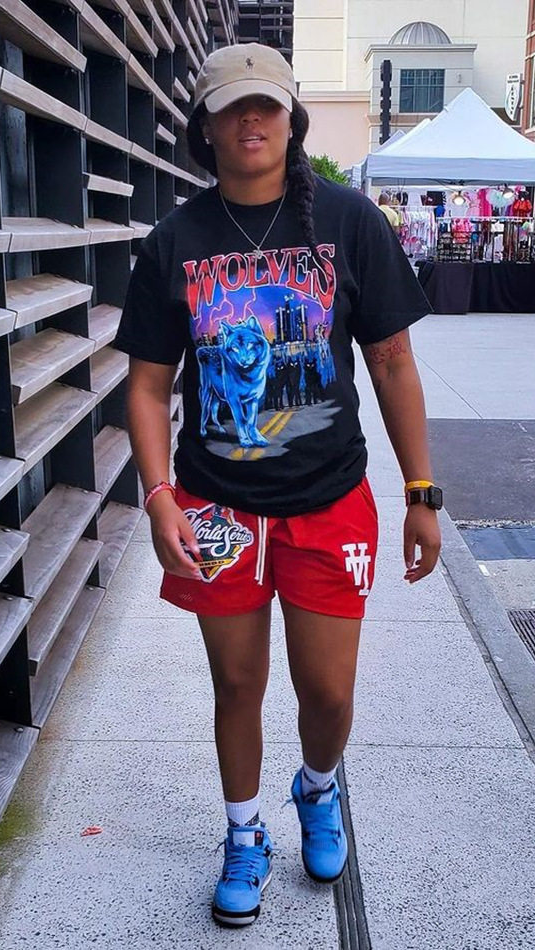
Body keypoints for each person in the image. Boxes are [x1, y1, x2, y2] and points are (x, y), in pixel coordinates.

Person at [113, 41, 442, 929]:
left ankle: (318, 788)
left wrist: (421, 491)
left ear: (292, 120)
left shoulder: (348, 222)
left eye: (265, 104)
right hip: (216, 505)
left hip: (328, 499)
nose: (250, 119)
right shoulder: (175, 242)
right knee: (237, 686)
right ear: (206, 128)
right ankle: (244, 833)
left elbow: (393, 362)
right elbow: (147, 386)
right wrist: (157, 495)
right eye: (231, 107)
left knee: (327, 693)